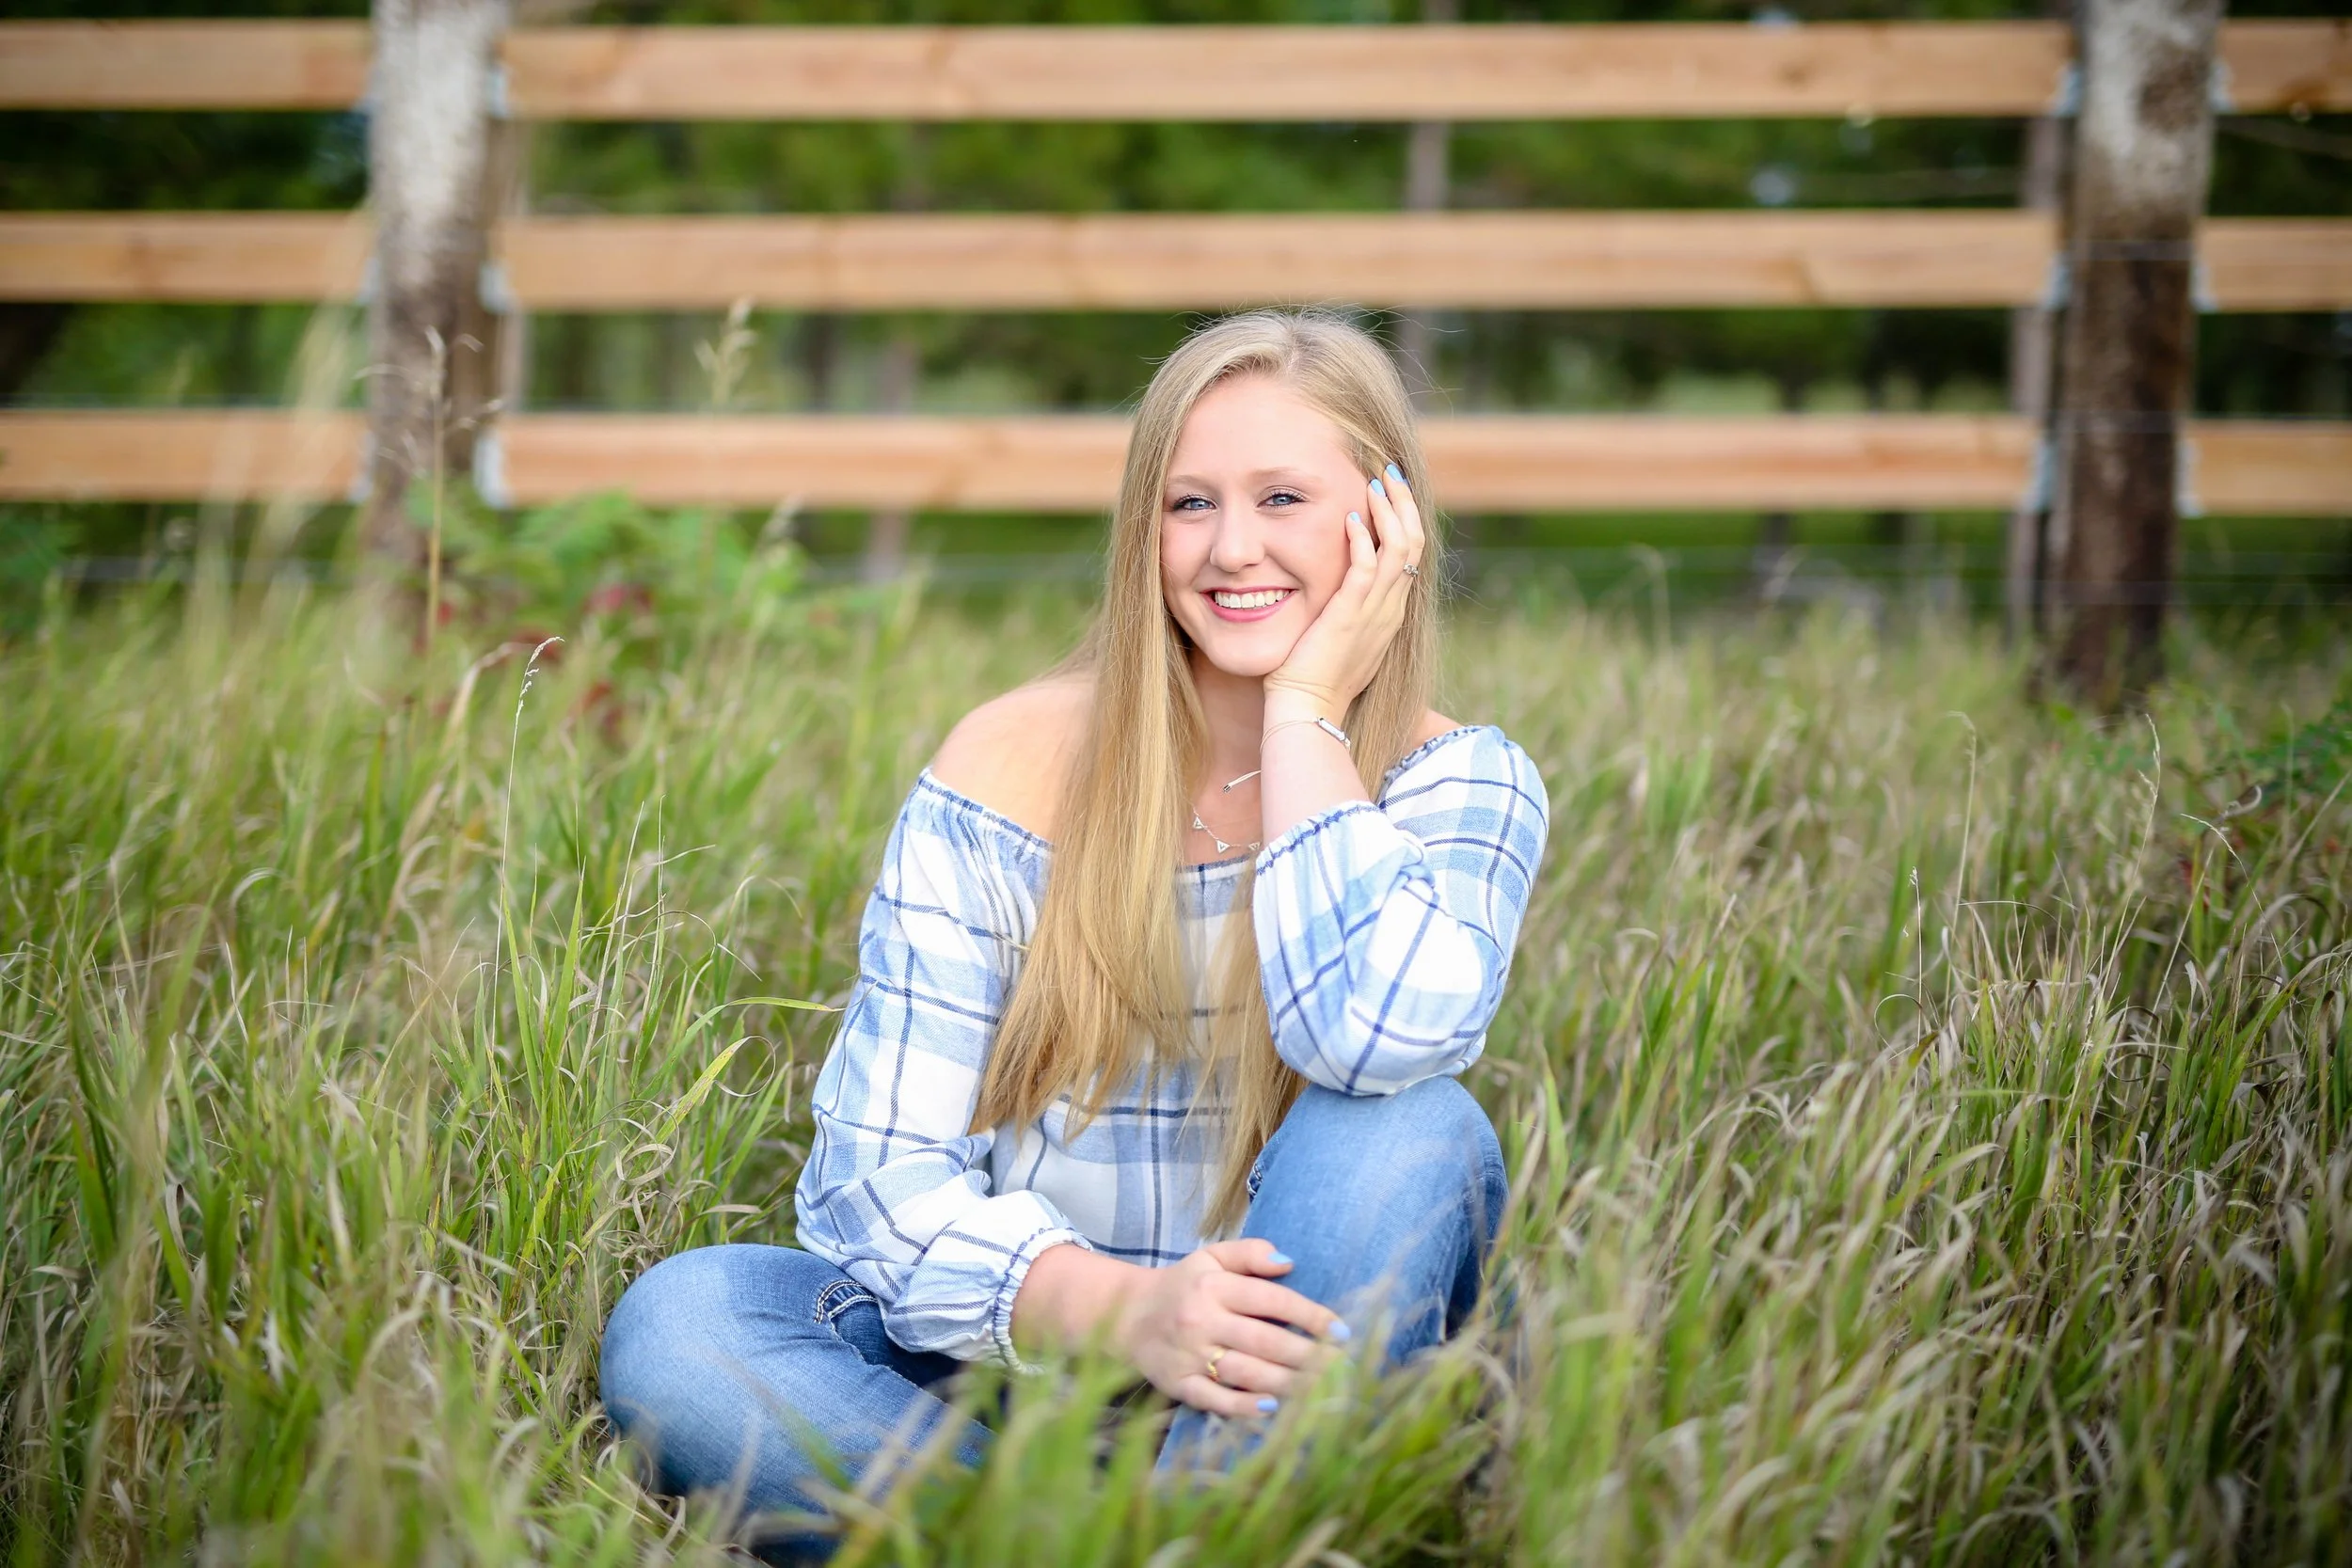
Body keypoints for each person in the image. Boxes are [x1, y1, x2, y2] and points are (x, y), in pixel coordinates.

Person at [597, 309, 1550, 1558]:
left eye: (1282, 497)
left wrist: (1307, 717)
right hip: (1018, 1368)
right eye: (1189, 503)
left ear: (1384, 524)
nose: (1232, 548)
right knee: (688, 1325)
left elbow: (1369, 1037)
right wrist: (1131, 1309)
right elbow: (870, 1186)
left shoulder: (1458, 784)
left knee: (1411, 1125)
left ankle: (1156, 1520)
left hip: (1280, 1386)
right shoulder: (1009, 765)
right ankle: (1151, 1539)